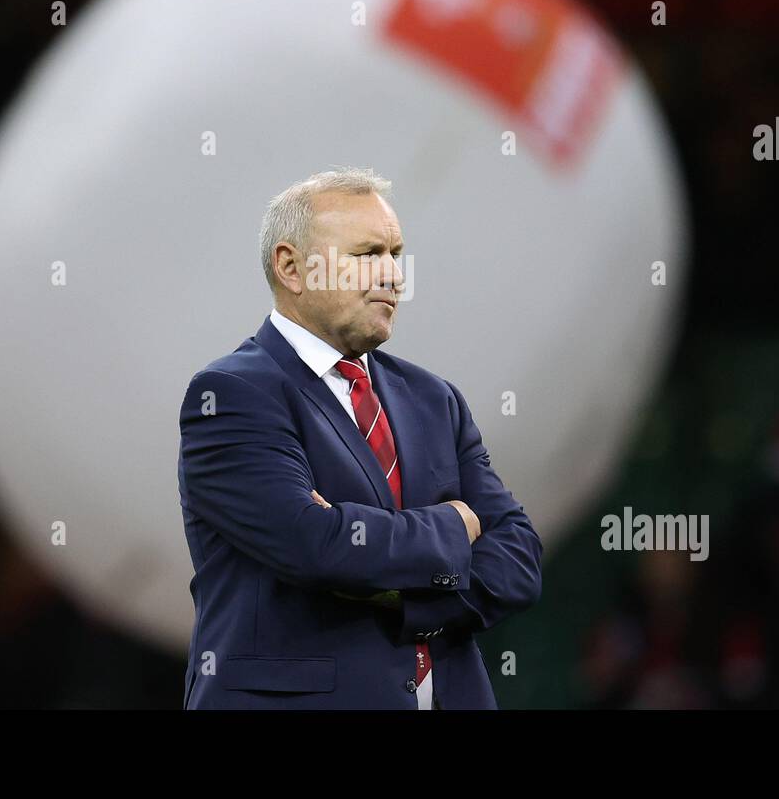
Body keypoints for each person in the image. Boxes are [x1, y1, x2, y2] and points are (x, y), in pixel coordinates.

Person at [178, 167, 542, 709]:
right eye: (368, 254)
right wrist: (455, 526)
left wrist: (402, 598)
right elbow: (316, 546)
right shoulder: (230, 395)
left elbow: (519, 558)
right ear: (291, 267)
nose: (394, 276)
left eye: (396, 255)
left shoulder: (434, 399)